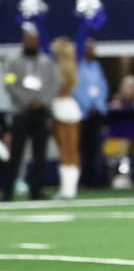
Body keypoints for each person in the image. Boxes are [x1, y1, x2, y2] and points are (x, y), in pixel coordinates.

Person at [2, 24, 60, 201]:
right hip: (21, 112)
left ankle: (36, 191)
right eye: (29, 39)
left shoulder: (46, 62)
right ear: (23, 40)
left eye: (34, 40)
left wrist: (40, 101)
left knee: (39, 154)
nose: (32, 42)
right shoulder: (13, 61)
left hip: (41, 112)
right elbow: (10, 83)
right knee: (16, 154)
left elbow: (54, 84)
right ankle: (8, 191)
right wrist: (28, 101)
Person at [73, 38, 108, 187]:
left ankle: (95, 180)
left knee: (95, 148)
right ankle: (83, 180)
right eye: (88, 48)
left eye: (92, 48)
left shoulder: (97, 66)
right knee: (81, 148)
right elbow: (76, 89)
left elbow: (103, 87)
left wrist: (98, 104)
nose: (90, 51)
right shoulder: (77, 67)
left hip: (96, 113)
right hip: (82, 113)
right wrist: (87, 105)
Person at [50, 37, 82, 199]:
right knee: (73, 150)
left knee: (64, 150)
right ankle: (71, 189)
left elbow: (52, 90)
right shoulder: (72, 68)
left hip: (59, 107)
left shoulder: (55, 69)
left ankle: (66, 189)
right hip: (72, 106)